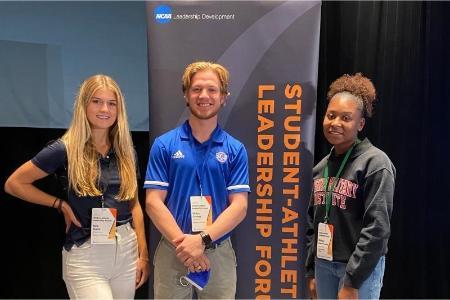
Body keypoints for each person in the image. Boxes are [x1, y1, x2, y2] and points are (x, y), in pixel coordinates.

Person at [4, 74, 149, 299]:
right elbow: (14, 184)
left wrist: (143, 255)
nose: (105, 109)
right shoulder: (65, 149)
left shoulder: (127, 151)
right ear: (84, 105)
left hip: (126, 251)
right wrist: (58, 204)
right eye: (97, 101)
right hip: (86, 253)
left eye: (112, 103)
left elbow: (135, 206)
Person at [144, 61, 250, 299]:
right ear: (186, 95)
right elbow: (153, 202)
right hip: (174, 249)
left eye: (212, 90)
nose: (204, 96)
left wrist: (201, 240)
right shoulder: (164, 145)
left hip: (218, 251)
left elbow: (240, 206)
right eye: (196, 89)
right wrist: (187, 246)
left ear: (223, 97)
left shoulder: (235, 149)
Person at [305, 73, 396, 299]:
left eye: (346, 118)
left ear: (360, 123)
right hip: (323, 266)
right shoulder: (321, 168)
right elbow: (312, 223)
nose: (335, 123)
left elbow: (377, 228)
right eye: (331, 115)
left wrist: (352, 281)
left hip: (358, 271)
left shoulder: (375, 163)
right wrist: (312, 272)